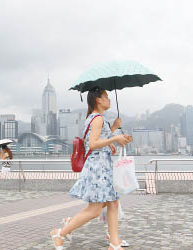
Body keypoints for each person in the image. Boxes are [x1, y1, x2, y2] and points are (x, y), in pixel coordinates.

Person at [50, 87, 132, 250]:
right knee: (95, 209)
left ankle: (114, 243)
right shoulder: (98, 119)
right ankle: (60, 233)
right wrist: (115, 138)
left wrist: (113, 131)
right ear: (98, 100)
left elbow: (99, 140)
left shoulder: (96, 118)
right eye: (106, 97)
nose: (108, 100)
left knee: (113, 203)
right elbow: (93, 144)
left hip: (102, 166)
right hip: (98, 168)